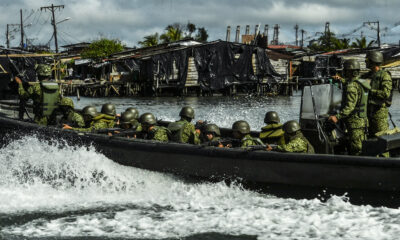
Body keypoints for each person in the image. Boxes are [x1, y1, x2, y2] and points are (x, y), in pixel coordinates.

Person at [328, 59, 370, 155]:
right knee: (361, 145)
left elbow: (349, 107)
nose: (344, 72)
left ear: (351, 71)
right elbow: (350, 83)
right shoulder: (362, 82)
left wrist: (336, 117)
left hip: (354, 123)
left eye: (346, 70)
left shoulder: (351, 87)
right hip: (362, 120)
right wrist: (340, 79)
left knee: (356, 149)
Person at [364, 51, 392, 137]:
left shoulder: (384, 75)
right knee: (370, 139)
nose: (366, 62)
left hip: (379, 114)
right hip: (368, 113)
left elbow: (385, 94)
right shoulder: (367, 75)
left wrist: (370, 90)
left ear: (373, 61)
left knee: (382, 139)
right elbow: (355, 82)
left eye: (367, 60)